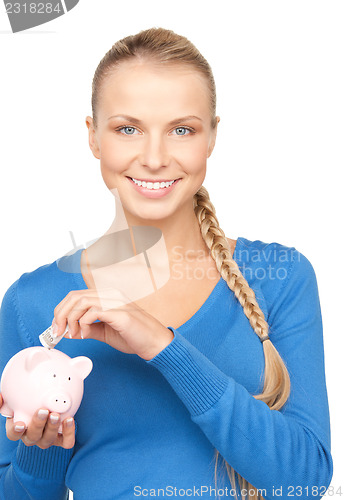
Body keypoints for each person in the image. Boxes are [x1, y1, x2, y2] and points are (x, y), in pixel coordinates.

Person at [0, 27, 333, 500]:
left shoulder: (280, 277)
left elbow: (305, 480)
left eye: (182, 130)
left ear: (212, 136)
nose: (154, 158)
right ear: (93, 137)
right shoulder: (32, 303)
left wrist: (162, 345)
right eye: (127, 129)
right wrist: (43, 448)